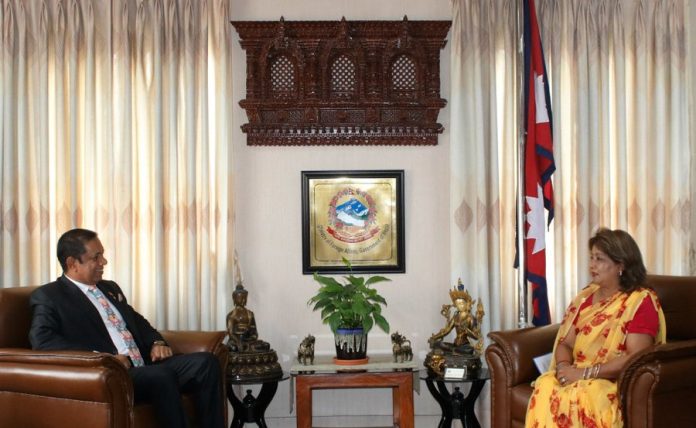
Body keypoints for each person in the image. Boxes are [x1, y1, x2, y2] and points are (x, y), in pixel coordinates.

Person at [29, 228, 225, 428]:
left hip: (145, 364)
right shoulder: (50, 296)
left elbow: (137, 321)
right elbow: (42, 341)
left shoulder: (109, 288)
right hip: (113, 374)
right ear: (72, 263)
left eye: (102, 255)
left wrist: (156, 342)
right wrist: (103, 358)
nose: (104, 262)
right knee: (161, 376)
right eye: (96, 257)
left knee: (206, 363)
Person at [525, 228, 666, 427]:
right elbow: (566, 343)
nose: (592, 265)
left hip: (611, 381)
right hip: (577, 373)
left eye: (599, 259)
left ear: (621, 265)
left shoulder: (639, 302)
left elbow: (636, 357)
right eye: (591, 258)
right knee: (546, 384)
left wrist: (584, 374)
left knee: (587, 396)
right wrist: (564, 368)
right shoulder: (585, 298)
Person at [226, 283, 270, 352]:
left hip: (248, 341)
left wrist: (251, 338)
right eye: (240, 298)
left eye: (245, 298)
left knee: (266, 345)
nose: (243, 300)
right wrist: (238, 342)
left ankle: (247, 348)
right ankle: (246, 348)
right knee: (233, 348)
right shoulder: (231, 315)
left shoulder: (250, 314)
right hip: (236, 342)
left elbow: (254, 332)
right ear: (234, 298)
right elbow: (231, 333)